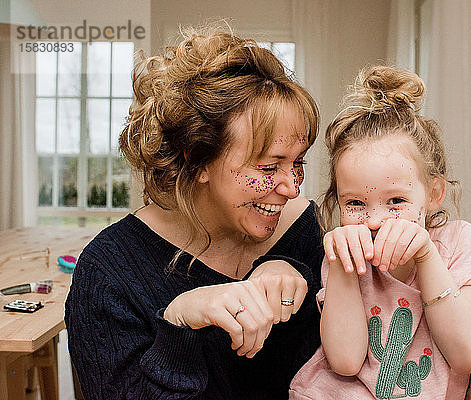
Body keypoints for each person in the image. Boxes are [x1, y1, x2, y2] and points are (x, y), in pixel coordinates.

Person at [65, 25, 324, 399]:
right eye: (268, 168)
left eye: (296, 162)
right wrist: (179, 323)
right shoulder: (107, 275)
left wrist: (294, 268)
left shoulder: (302, 230)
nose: (291, 187)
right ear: (198, 159)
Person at [289, 66, 471, 399]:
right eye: (355, 202)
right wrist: (344, 268)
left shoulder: (458, 243)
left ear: (433, 193)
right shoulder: (343, 251)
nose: (373, 220)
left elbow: (468, 356)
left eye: (396, 200)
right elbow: (345, 362)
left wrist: (427, 256)